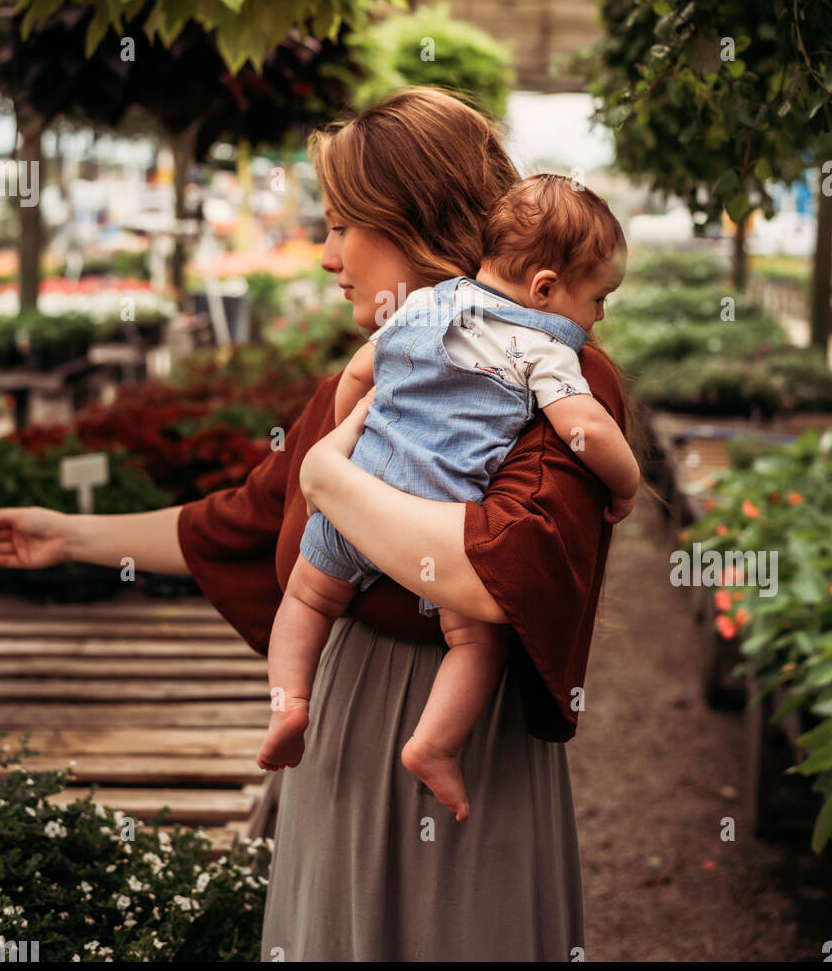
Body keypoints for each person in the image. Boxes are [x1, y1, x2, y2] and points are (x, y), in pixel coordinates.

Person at [0, 87, 629, 962]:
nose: (328, 256)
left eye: (341, 226)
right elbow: (248, 518)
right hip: (338, 736)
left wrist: (333, 478)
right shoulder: (380, 376)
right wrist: (68, 537)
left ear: (415, 223)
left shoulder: (560, 378)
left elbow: (489, 576)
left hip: (455, 744)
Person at [258, 175, 640, 827]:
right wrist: (625, 485)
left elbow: (356, 373)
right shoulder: (540, 347)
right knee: (475, 644)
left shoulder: (426, 304)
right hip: (436, 525)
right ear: (544, 289)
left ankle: (290, 700)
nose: (599, 316)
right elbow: (587, 429)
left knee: (305, 597)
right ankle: (433, 745)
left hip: (359, 496)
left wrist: (342, 443)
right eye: (597, 298)